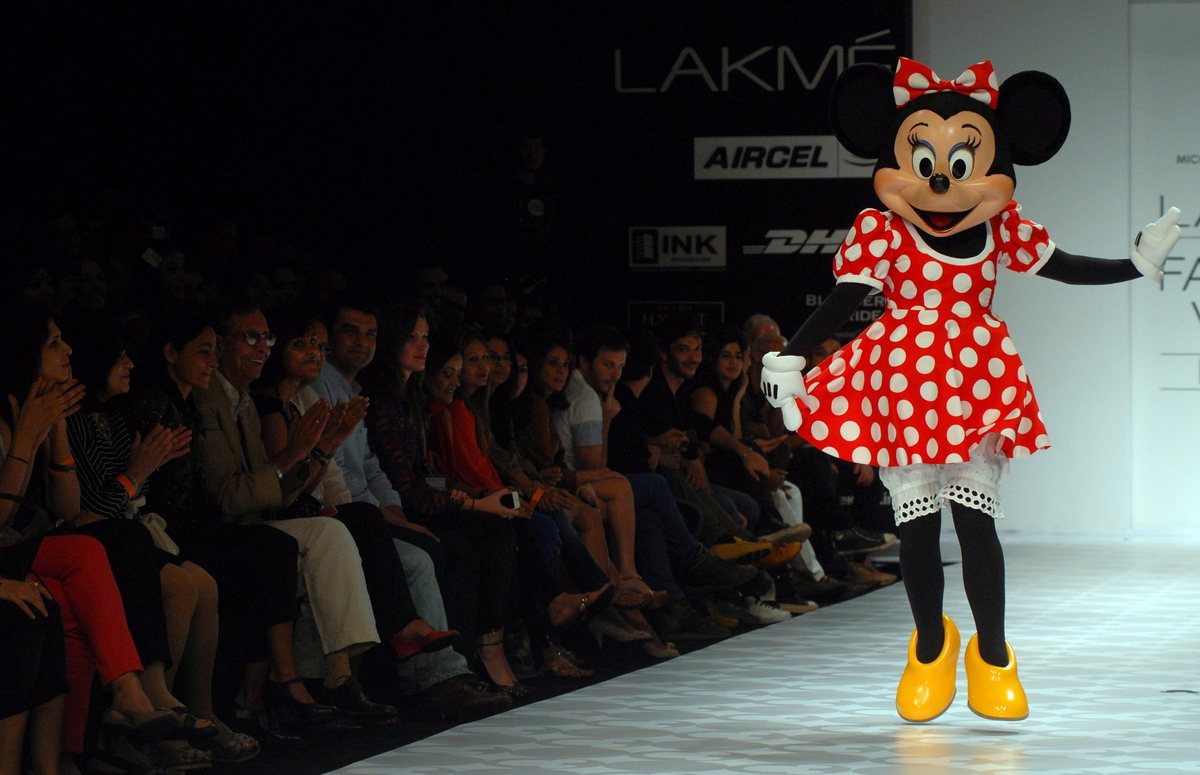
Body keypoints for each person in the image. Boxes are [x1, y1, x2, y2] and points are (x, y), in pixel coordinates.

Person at [762, 56, 1180, 722]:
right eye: (923, 159)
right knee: (917, 528)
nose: (939, 178)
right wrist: (790, 355)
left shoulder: (999, 229)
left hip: (971, 385)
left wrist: (1135, 264)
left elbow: (1063, 266)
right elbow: (844, 300)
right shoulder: (884, 231)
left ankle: (992, 654)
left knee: (975, 520)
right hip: (904, 384)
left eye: (961, 163)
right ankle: (931, 647)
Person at [193, 300, 452, 731]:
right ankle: (334, 677)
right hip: (237, 527)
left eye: (266, 338)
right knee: (342, 530)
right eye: (252, 337)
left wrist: (323, 448)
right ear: (221, 345)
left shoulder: (255, 400)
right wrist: (308, 451)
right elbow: (241, 495)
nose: (262, 347)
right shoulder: (235, 400)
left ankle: (343, 675)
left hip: (282, 517)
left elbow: (319, 480)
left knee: (357, 527)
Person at [312, 299, 511, 721]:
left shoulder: (362, 391)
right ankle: (439, 677)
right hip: (345, 515)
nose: (362, 342)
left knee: (471, 540)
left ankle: (457, 668)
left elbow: (373, 468)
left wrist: (393, 512)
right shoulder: (341, 392)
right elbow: (337, 475)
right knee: (434, 553)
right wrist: (392, 515)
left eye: (370, 334)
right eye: (351, 331)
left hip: (375, 510)